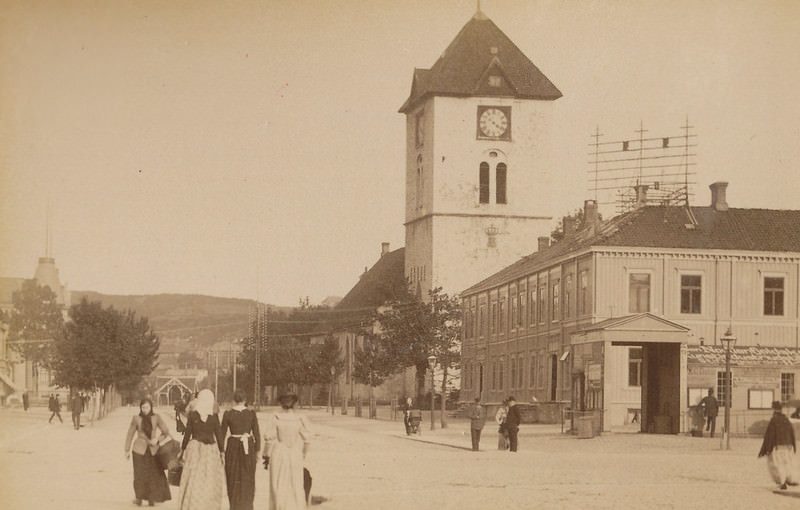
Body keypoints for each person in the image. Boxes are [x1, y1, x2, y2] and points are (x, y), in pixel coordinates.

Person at [178, 389, 227, 510]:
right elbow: (219, 435)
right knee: (209, 477)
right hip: (210, 450)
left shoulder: (193, 415)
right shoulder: (214, 417)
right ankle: (207, 504)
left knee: (194, 476)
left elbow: (187, 433)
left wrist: (182, 450)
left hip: (195, 448)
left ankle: (193, 503)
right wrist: (222, 452)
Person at [263, 393, 311, 510]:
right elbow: (307, 440)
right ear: (295, 404)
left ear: (281, 403)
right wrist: (303, 454)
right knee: (295, 483)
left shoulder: (276, 417)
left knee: (278, 483)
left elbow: (269, 439)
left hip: (279, 452)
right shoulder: (300, 418)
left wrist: (265, 455)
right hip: (294, 452)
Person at [124, 398, 172, 507]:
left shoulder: (156, 418)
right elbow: (130, 434)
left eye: (147, 407)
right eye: (143, 407)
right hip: (138, 450)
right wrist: (126, 450)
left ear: (151, 407)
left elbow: (166, 432)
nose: (145, 409)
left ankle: (152, 498)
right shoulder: (136, 418)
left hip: (153, 450)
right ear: (140, 408)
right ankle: (139, 498)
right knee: (139, 474)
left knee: (153, 475)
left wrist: (158, 440)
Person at [221, 389, 261, 510]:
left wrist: (221, 451)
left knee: (232, 476)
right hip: (248, 447)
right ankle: (247, 505)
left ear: (234, 400)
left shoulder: (227, 414)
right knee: (248, 476)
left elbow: (222, 434)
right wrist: (257, 451)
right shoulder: (251, 414)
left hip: (232, 446)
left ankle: (234, 506)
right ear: (244, 400)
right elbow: (257, 434)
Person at [758, 401, 798, 490]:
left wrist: (766, 449)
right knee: (787, 463)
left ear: (774, 410)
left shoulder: (774, 420)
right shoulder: (786, 419)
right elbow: (791, 433)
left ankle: (782, 481)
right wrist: (793, 446)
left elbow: (770, 435)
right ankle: (789, 478)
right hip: (789, 446)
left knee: (778, 464)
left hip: (778, 446)